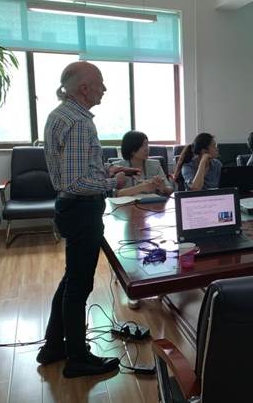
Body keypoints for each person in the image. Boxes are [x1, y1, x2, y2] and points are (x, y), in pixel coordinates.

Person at [40, 61, 130, 378]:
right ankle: (77, 358)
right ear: (84, 88)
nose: (104, 89)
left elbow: (73, 172)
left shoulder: (59, 115)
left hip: (70, 208)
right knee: (79, 285)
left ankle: (54, 346)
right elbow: (76, 182)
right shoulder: (79, 122)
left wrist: (104, 170)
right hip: (82, 210)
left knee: (71, 280)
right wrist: (112, 183)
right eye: (100, 83)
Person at [113, 130, 173, 197]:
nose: (147, 149)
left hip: (151, 202)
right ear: (131, 148)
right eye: (142, 146)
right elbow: (115, 193)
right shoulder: (118, 167)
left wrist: (163, 188)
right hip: (127, 203)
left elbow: (170, 189)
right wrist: (141, 187)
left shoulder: (155, 164)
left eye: (147, 145)